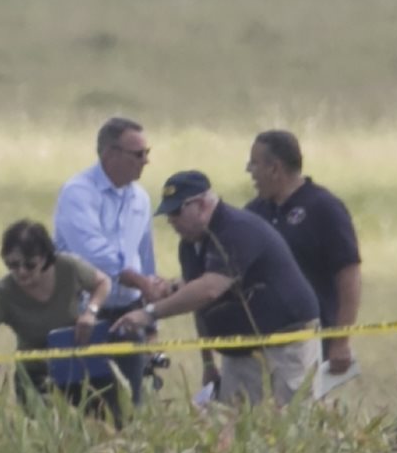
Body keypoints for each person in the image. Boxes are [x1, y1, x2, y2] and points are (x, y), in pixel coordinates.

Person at [112, 171, 321, 407]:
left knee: (289, 419)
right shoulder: (190, 245)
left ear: (201, 205)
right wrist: (209, 363)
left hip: (285, 345)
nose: (171, 220)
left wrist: (149, 313)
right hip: (240, 350)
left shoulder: (235, 229)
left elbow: (210, 289)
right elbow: (200, 304)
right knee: (235, 425)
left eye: (176, 212)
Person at [53, 117, 169, 407]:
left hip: (128, 316)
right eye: (138, 154)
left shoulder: (140, 199)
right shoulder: (78, 193)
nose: (146, 161)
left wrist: (150, 309)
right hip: (83, 315)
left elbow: (144, 256)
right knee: (82, 405)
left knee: (129, 404)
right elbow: (94, 255)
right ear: (110, 154)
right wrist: (141, 281)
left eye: (147, 153)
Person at [245, 129, 362, 375]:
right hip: (260, 343)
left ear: (275, 168)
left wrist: (340, 341)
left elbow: (349, 275)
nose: (249, 171)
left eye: (254, 164)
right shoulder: (253, 212)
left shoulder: (324, 208)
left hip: (311, 340)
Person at [0, 220, 111, 408]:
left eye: (29, 264)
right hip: (34, 377)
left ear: (45, 258)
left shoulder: (68, 267)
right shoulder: (4, 291)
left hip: (78, 370)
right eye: (13, 264)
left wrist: (91, 311)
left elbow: (103, 283)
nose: (21, 271)